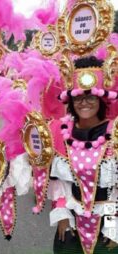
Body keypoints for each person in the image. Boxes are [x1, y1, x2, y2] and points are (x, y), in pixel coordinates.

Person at [46, 56, 118, 253]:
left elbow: (115, 190)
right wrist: (62, 216)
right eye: (78, 97)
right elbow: (59, 184)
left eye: (90, 96)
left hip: (107, 229)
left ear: (101, 98)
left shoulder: (115, 132)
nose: (84, 103)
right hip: (70, 226)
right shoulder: (61, 132)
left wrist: (113, 228)